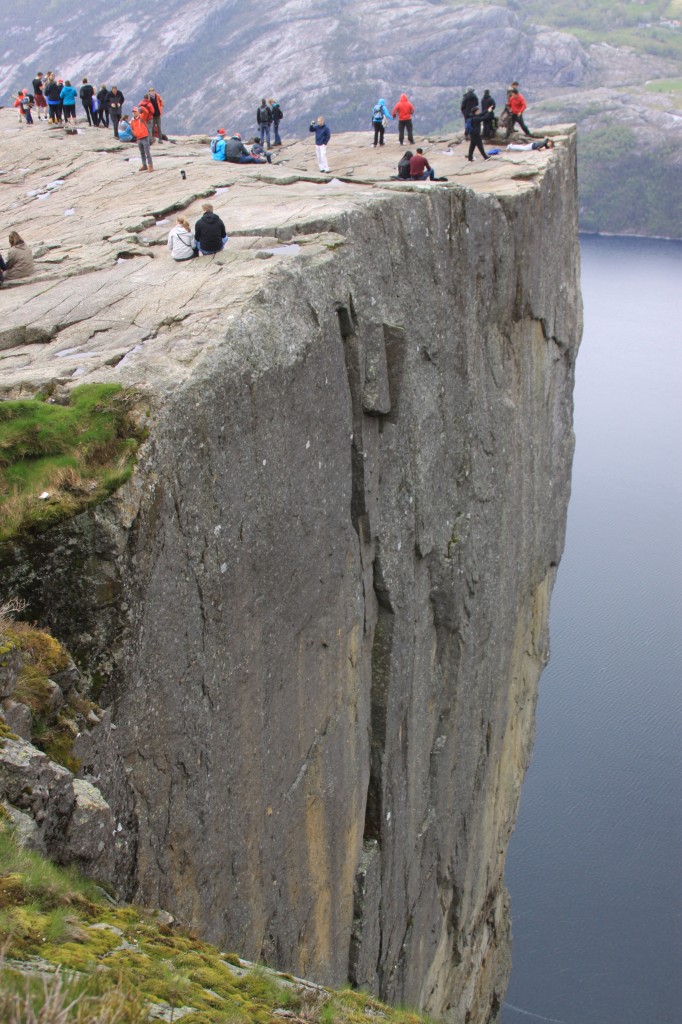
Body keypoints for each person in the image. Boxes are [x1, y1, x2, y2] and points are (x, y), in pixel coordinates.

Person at [130, 107, 153, 171]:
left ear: (138, 112)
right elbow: (132, 128)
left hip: (144, 137)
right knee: (142, 153)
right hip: (138, 138)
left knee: (147, 152)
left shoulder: (142, 117)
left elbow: (146, 112)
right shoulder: (132, 120)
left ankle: (150, 166)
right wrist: (134, 133)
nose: (134, 113)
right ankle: (144, 165)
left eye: (135, 111)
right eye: (133, 112)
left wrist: (142, 106)